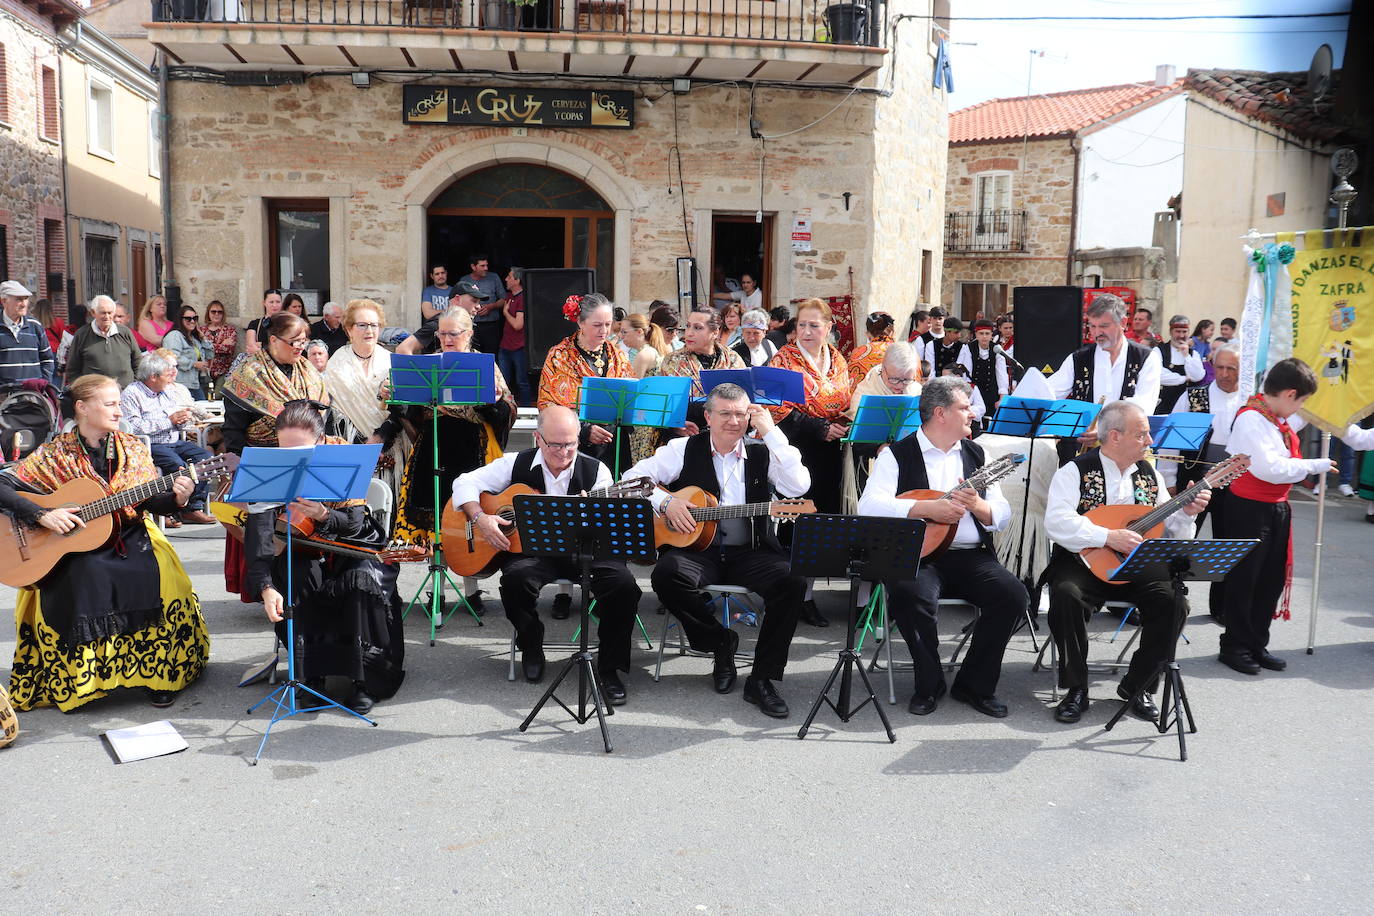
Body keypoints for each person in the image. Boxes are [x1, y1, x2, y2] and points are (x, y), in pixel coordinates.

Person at [2, 373, 208, 712]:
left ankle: (157, 675)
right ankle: (85, 683)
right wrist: (42, 516)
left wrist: (178, 500)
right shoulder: (55, 453)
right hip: (73, 544)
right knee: (85, 576)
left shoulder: (133, 448)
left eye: (118, 403)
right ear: (82, 408)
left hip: (130, 533)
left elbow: (149, 503)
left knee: (155, 577)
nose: (118, 410)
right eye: (110, 403)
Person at [627, 383, 809, 718]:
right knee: (667, 576)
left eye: (741, 413)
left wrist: (771, 433)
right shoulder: (682, 448)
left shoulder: (762, 451)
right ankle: (720, 642)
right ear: (708, 416)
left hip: (751, 550)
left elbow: (798, 486)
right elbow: (633, 480)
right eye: (725, 413)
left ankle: (762, 679)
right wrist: (666, 502)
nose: (734, 421)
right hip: (697, 549)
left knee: (793, 581)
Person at [857, 377, 1025, 717]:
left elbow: (1002, 516)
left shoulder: (977, 454)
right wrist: (924, 509)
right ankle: (929, 684)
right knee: (909, 594)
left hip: (970, 556)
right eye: (964, 407)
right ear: (940, 413)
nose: (973, 413)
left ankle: (974, 685)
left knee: (1013, 596)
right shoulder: (897, 455)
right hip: (918, 556)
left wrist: (978, 505)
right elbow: (869, 506)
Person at [452, 406, 640, 700]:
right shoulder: (515, 464)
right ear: (538, 438)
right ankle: (531, 645)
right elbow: (464, 481)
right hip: (533, 553)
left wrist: (589, 513)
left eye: (571, 444)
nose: (564, 452)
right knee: (515, 581)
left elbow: (608, 522)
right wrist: (481, 518)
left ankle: (609, 669)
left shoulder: (596, 471)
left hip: (585, 550)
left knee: (624, 586)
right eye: (555, 444)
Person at [1043, 401, 1209, 724]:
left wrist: (1187, 514)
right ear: (1115, 436)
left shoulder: (1151, 475)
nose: (1150, 441)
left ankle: (1138, 685)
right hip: (1082, 561)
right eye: (1142, 434)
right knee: (1065, 594)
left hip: (1136, 565)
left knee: (1174, 603)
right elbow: (1056, 522)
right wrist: (1107, 537)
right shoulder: (1075, 471)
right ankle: (1076, 688)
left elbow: (1169, 533)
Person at [246, 400, 405, 715]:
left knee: (362, 578)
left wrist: (321, 513)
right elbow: (260, 531)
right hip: (303, 545)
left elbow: (355, 523)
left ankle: (365, 679)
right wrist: (264, 585)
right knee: (295, 574)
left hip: (352, 542)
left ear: (320, 442)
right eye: (285, 450)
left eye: (302, 451)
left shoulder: (342, 455)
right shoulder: (270, 465)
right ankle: (311, 676)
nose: (293, 459)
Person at [393, 307, 515, 604]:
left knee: (468, 519)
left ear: (469, 333)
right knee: (437, 518)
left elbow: (505, 411)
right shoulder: (427, 364)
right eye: (442, 333)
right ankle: (439, 590)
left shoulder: (485, 366)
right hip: (434, 446)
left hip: (474, 446)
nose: (446, 338)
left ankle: (472, 590)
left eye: (453, 333)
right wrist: (403, 395)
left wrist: (491, 402)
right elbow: (411, 412)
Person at [1218, 358, 1333, 676]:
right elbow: (1270, 469)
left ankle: (1256, 641)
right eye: (1301, 401)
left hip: (1276, 506)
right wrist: (1314, 464)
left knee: (1271, 579)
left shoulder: (1275, 417)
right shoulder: (1252, 419)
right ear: (1288, 394)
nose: (1301, 409)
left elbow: (1315, 423)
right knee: (1246, 578)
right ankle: (1235, 645)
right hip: (1249, 507)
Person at [768, 297, 851, 627]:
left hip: (831, 451)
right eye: (801, 324)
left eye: (814, 325)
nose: (806, 330)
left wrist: (840, 424)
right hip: (796, 449)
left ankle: (808, 594)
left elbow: (845, 397)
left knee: (822, 522)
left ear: (828, 328)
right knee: (796, 520)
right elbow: (774, 409)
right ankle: (793, 595)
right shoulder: (783, 359)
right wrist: (818, 426)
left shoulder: (837, 358)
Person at [1158, 342, 1242, 621]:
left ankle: (1224, 608)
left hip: (1236, 483)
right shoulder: (1192, 396)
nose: (1225, 374)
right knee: (1179, 540)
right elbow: (1170, 443)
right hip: (1194, 479)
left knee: (1227, 545)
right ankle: (1167, 599)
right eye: (1219, 367)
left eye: (1232, 368)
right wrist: (1169, 479)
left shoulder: (1251, 400)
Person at [1046, 294, 1163, 460]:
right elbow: (1049, 392)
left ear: (1123, 323)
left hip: (1127, 450)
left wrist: (1103, 430)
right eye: (1092, 326)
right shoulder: (1079, 358)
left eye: (1104, 326)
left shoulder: (1146, 358)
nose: (1097, 333)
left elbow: (1143, 407)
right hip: (1084, 453)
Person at [323, 298, 414, 509]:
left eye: (374, 325)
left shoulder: (391, 361)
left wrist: (379, 438)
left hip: (391, 448)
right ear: (348, 329)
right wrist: (360, 447)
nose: (369, 330)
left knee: (389, 506)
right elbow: (331, 412)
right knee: (355, 511)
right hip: (352, 450)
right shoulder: (337, 363)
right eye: (362, 325)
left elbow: (404, 408)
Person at [537, 293, 634, 474]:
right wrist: (585, 430)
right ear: (581, 323)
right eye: (597, 325)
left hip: (615, 443)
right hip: (574, 445)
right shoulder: (560, 355)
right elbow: (549, 404)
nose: (604, 330)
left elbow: (631, 397)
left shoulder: (618, 355)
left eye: (608, 324)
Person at [119, 352, 217, 527]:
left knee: (206, 458)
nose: (171, 377)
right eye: (166, 373)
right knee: (177, 465)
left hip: (174, 440)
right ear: (153, 377)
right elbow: (134, 427)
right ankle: (167, 510)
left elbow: (175, 420)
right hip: (150, 444)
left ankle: (193, 507)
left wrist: (181, 420)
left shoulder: (167, 392)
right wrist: (169, 421)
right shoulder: (132, 393)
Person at [221, 312, 329, 454]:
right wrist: (242, 464)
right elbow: (234, 429)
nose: (301, 347)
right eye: (295, 342)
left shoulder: (309, 370)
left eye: (303, 341)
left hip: (310, 455)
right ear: (273, 340)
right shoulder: (248, 374)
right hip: (264, 459)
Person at [843, 341, 922, 510]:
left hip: (907, 467)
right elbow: (857, 440)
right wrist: (879, 447)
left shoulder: (916, 390)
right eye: (894, 379)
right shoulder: (866, 391)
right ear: (883, 369)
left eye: (907, 380)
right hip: (870, 467)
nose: (900, 386)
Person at [64, 295, 140, 388]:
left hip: (126, 393)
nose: (107, 316)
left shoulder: (125, 333)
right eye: (103, 313)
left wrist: (135, 386)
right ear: (93, 313)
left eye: (110, 313)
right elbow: (73, 368)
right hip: (95, 395)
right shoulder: (82, 335)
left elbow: (138, 362)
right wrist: (82, 390)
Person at [0, 281, 55, 384]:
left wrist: (44, 384)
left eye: (26, 299)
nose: (24, 304)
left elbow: (47, 359)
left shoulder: (35, 326)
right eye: (19, 299)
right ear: (3, 301)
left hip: (33, 393)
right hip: (4, 396)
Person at [1155, 314, 1205, 413]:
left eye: (1184, 332)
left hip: (1186, 406)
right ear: (1170, 332)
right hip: (1163, 404)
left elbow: (1198, 376)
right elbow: (1158, 375)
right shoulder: (1158, 351)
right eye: (1178, 331)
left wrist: (1186, 356)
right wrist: (1184, 378)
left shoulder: (1193, 354)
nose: (1181, 336)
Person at [497, 267, 532, 406]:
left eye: (509, 276)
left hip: (518, 347)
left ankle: (526, 411)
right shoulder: (509, 295)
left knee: (521, 381)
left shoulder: (522, 298)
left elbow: (518, 324)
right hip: (505, 345)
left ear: (517, 280)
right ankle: (503, 410)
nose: (506, 279)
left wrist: (505, 313)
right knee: (502, 382)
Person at [463, 254, 508, 355]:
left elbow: (504, 299)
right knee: (472, 355)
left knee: (491, 356)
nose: (486, 268)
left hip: (492, 325)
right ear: (473, 267)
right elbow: (459, 303)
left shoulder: (494, 277)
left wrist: (491, 307)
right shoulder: (464, 281)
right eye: (482, 266)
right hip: (471, 325)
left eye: (486, 265)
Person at [162, 306, 210, 399]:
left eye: (195, 318)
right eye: (188, 319)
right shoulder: (174, 336)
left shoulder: (194, 339)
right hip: (180, 384)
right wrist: (194, 364)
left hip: (196, 383)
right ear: (180, 320)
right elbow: (172, 357)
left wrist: (203, 338)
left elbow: (210, 355)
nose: (192, 321)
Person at [968, 318, 1009, 418]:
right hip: (973, 392)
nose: (984, 337)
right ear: (976, 334)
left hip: (992, 392)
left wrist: (1002, 398)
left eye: (987, 333)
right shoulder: (968, 348)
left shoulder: (997, 349)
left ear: (991, 335)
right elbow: (966, 374)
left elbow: (1002, 374)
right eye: (981, 333)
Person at [846, 312, 896, 388]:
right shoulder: (905, 352)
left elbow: (851, 385)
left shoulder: (858, 352)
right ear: (892, 332)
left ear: (868, 334)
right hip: (901, 399)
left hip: (867, 398)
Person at [414, 262, 453, 354]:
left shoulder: (453, 291)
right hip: (431, 333)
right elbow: (427, 314)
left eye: (442, 273)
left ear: (446, 273)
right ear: (432, 276)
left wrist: (435, 311)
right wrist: (447, 311)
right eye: (437, 274)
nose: (440, 276)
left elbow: (456, 313)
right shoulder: (428, 291)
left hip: (449, 333)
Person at [201, 299, 238, 392]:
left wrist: (208, 346)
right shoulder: (202, 330)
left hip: (224, 371)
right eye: (213, 311)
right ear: (208, 313)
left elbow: (229, 349)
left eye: (220, 312)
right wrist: (221, 345)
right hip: (205, 372)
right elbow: (200, 348)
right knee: (206, 399)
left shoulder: (229, 330)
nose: (216, 314)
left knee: (218, 395)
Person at [622, 312, 669, 379]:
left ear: (639, 332)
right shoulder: (650, 350)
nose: (620, 335)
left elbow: (634, 386)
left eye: (624, 332)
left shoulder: (643, 355)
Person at [244, 289, 284, 354]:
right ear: (264, 303)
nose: (274, 305)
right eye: (271, 302)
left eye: (278, 302)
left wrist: (261, 345)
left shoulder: (287, 323)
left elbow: (284, 346)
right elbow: (250, 347)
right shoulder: (254, 324)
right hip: (259, 362)